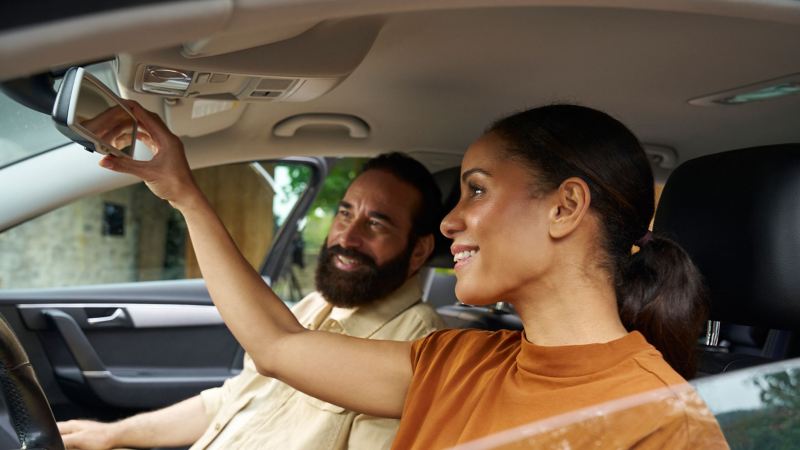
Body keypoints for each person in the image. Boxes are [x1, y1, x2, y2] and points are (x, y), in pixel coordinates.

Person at [96, 101, 728, 449]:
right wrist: (184, 194)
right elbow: (278, 346)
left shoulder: (667, 426)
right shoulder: (457, 362)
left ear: (564, 208)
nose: (449, 223)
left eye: (475, 191)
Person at [57, 152, 446, 450]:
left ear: (418, 251)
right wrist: (112, 434)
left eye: (376, 223)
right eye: (345, 213)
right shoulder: (313, 306)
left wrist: (185, 196)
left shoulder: (417, 349)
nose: (347, 237)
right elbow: (230, 401)